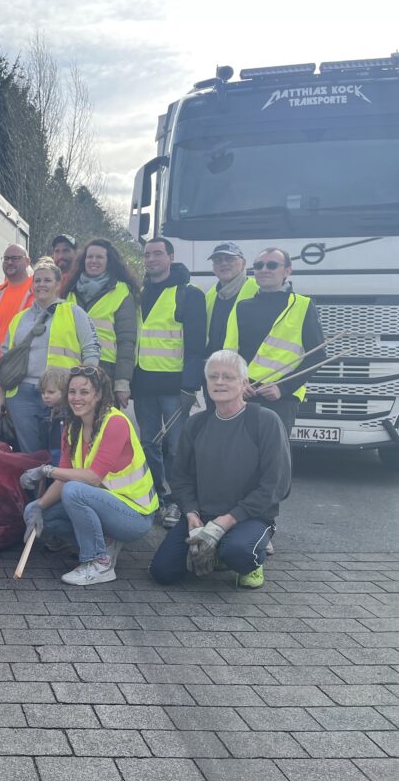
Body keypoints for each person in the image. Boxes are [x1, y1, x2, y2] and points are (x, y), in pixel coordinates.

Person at [149, 351, 291, 590]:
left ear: (244, 383)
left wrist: (224, 523)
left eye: (228, 377)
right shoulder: (196, 423)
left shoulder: (265, 421)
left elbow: (276, 485)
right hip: (202, 516)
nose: (220, 382)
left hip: (250, 516)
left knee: (238, 553)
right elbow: (181, 477)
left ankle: (250, 558)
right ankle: (215, 550)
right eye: (213, 377)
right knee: (162, 572)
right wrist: (192, 513)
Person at [23, 366, 158, 586]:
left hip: (135, 515)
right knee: (40, 516)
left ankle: (99, 562)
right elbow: (64, 477)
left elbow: (93, 477)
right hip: (105, 504)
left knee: (74, 491)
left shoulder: (115, 422)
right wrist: (38, 505)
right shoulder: (71, 426)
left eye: (84, 392)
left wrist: (46, 470)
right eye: (72, 392)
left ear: (98, 395)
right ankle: (105, 540)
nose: (76, 398)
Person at [132, 237, 207, 529]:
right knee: (148, 444)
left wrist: (190, 386)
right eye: (147, 255)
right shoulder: (139, 293)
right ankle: (156, 498)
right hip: (144, 385)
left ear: (171, 257)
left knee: (178, 448)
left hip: (175, 387)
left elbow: (196, 345)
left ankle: (180, 502)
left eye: (158, 254)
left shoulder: (189, 294)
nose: (151, 259)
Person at [0, 259, 100, 454]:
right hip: (21, 394)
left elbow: (91, 349)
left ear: (58, 284)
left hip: (62, 393)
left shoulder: (74, 312)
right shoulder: (19, 318)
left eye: (47, 280)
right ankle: (35, 485)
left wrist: (84, 387)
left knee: (62, 451)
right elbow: (5, 360)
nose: (41, 284)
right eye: (37, 280)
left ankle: (59, 484)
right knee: (30, 454)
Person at [225, 247, 324, 436]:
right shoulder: (242, 307)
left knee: (274, 460)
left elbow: (317, 356)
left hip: (282, 398)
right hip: (244, 394)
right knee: (240, 458)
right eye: (258, 266)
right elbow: (229, 354)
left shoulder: (303, 306)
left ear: (287, 271)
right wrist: (238, 385)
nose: (264, 270)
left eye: (272, 265)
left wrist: (283, 388)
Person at [61, 238, 139, 409]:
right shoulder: (70, 290)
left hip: (104, 373)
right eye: (90, 257)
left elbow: (127, 342)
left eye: (99, 257)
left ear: (109, 261)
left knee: (101, 427)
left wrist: (122, 383)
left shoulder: (122, 291)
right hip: (72, 369)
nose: (93, 261)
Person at [0, 243, 34, 377]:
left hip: (26, 371)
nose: (9, 262)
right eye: (6, 258)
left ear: (27, 261)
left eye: (15, 258)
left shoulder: (36, 290)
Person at [204, 242, 257, 356]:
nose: (223, 263)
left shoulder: (259, 290)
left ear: (243, 263)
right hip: (217, 367)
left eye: (229, 259)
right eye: (218, 260)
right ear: (213, 267)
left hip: (248, 367)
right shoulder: (210, 294)